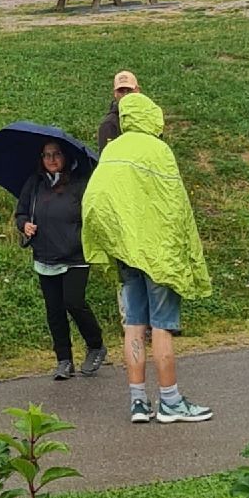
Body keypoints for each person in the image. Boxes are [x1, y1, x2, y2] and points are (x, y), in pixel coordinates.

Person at [78, 91, 214, 424]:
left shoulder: (113, 150)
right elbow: (176, 206)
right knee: (162, 327)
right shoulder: (158, 150)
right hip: (158, 255)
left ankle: (138, 402)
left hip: (127, 254)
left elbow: (94, 200)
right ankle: (170, 401)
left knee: (134, 327)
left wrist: (113, 241)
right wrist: (187, 254)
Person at [15, 138, 108, 380]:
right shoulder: (35, 183)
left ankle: (96, 345)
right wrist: (24, 225)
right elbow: (21, 213)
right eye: (47, 155)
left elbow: (94, 214)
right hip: (45, 255)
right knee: (54, 311)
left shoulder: (80, 183)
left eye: (56, 154)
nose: (52, 159)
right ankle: (64, 360)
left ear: (65, 157)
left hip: (75, 255)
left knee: (73, 302)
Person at [95, 67, 139, 147]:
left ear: (137, 90)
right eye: (121, 91)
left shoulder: (150, 117)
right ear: (115, 93)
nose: (125, 95)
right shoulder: (109, 125)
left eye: (129, 90)